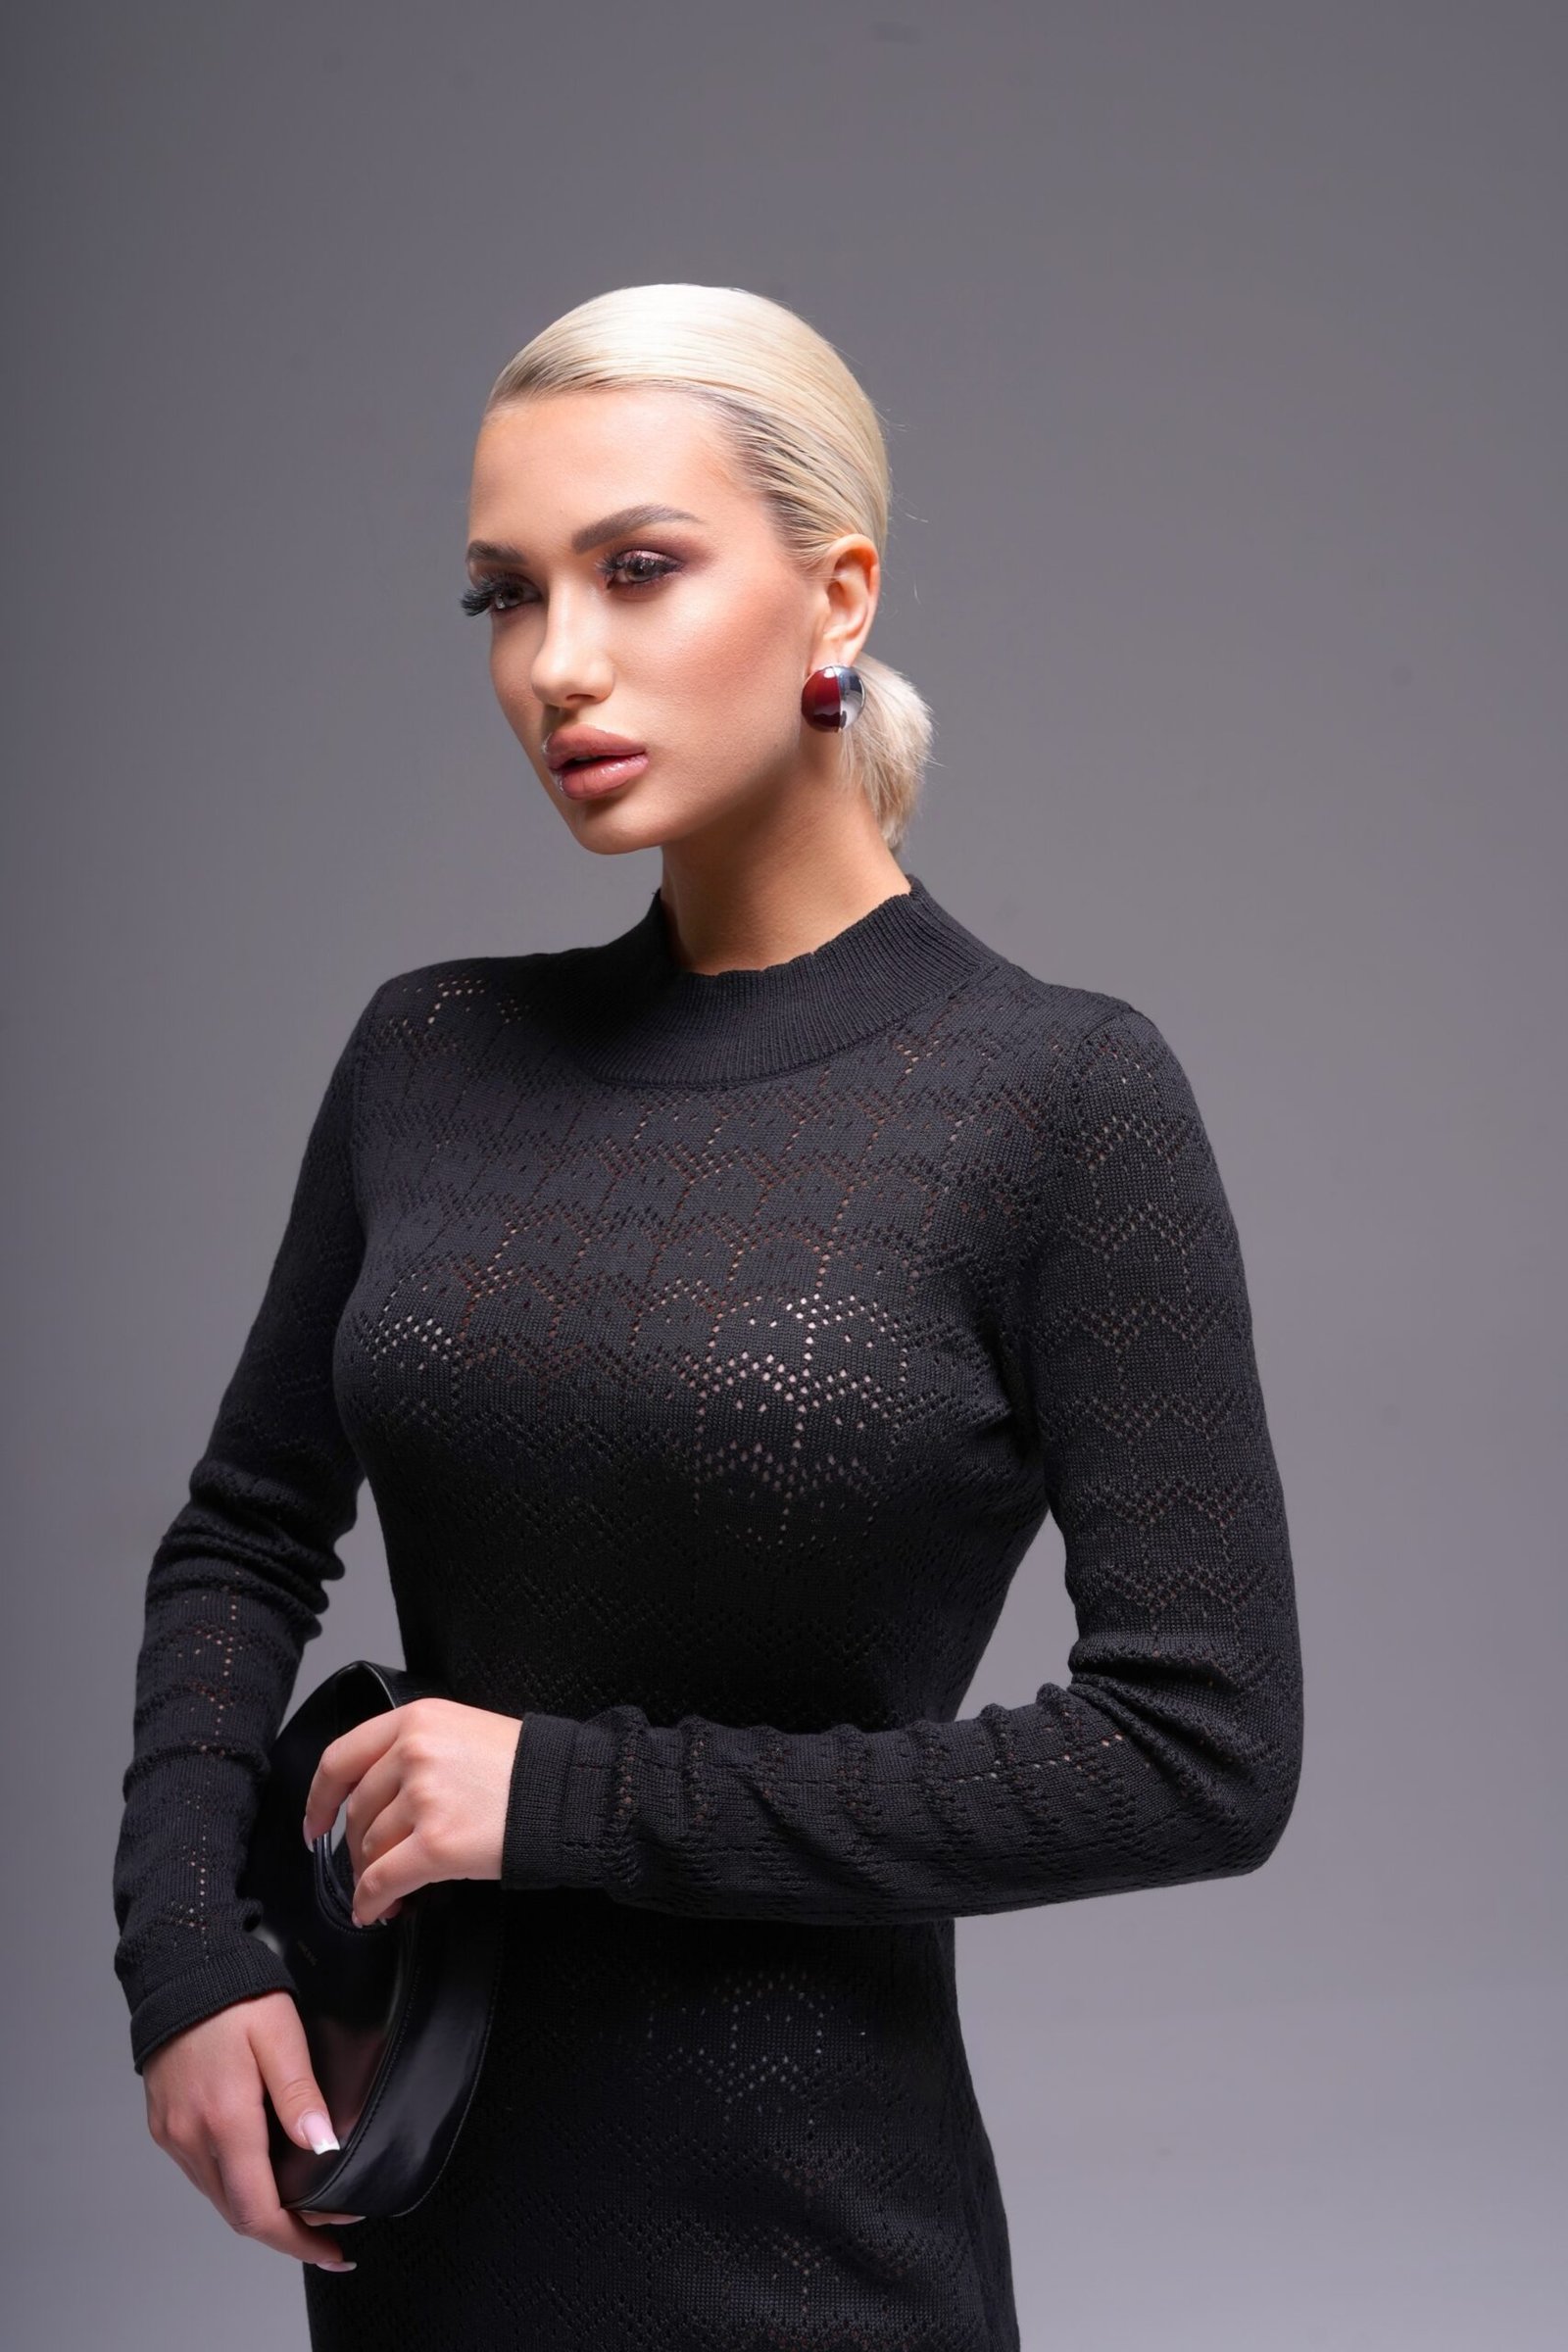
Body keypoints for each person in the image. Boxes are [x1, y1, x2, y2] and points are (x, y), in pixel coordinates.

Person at [112, 280, 1304, 2349]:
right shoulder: (430, 1056)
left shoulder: (1054, 1100)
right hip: (425, 2208)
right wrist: (187, 1961)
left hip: (808, 2247)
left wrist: (560, 1798)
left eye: (638, 569)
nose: (556, 663)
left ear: (837, 595)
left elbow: (1199, 1751)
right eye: (505, 594)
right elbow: (242, 1534)